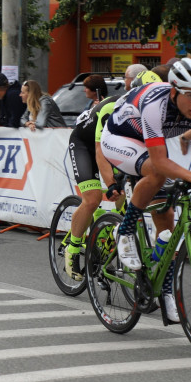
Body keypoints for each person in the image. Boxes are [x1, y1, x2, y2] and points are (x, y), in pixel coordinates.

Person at [100, 58, 191, 323]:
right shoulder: (156, 104)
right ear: (174, 90)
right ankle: (123, 231)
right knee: (157, 172)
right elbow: (159, 162)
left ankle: (165, 292)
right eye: (190, 95)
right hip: (118, 139)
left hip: (147, 144)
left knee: (167, 221)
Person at [61, 91, 124, 280]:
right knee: (93, 199)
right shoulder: (112, 108)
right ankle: (72, 249)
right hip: (85, 144)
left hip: (111, 147)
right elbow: (99, 151)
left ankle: (104, 239)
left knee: (128, 193)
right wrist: (111, 183)